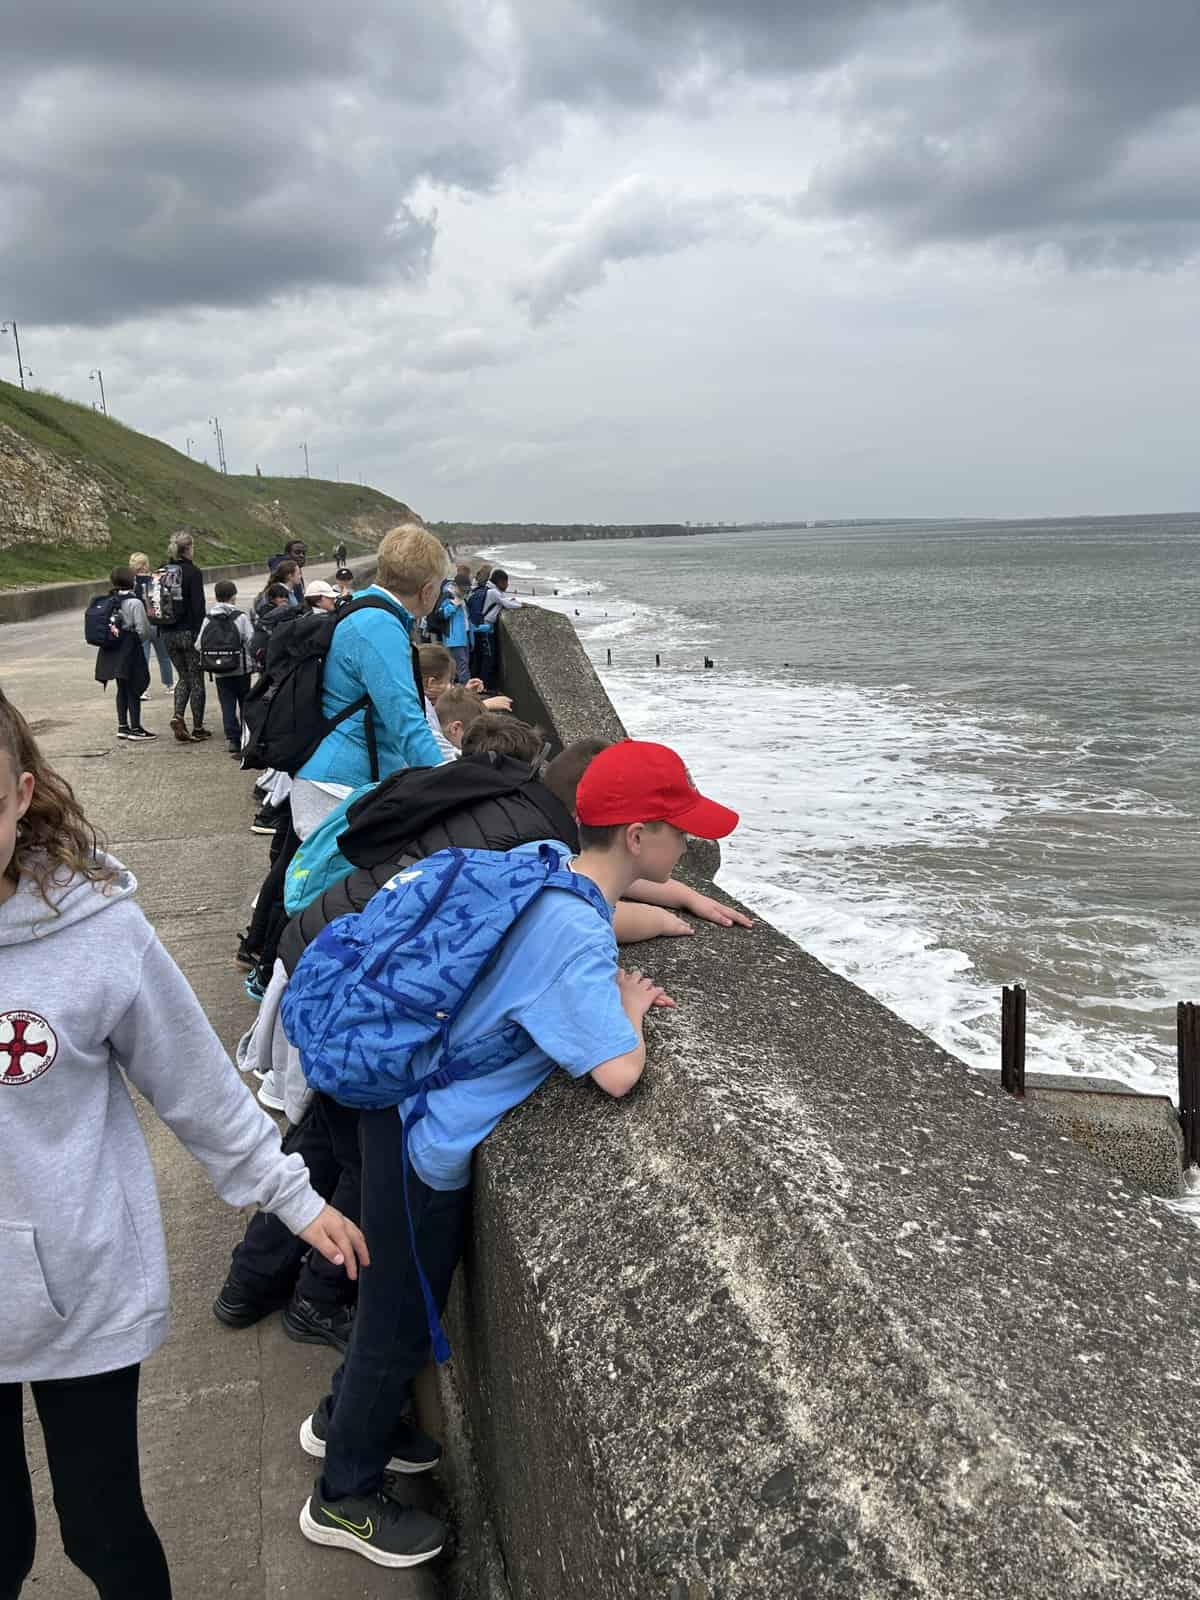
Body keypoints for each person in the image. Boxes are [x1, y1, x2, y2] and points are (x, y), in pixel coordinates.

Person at [293, 740, 738, 1566]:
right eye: (678, 829)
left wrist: (673, 905)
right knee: (397, 1314)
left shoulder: (542, 868)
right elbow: (617, 1073)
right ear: (637, 835)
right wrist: (629, 1005)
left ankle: (346, 1420)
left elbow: (588, 921)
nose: (688, 844)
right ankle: (343, 1494)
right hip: (424, 1136)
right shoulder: (578, 937)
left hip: (391, 1102)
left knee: (393, 1299)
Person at [0, 690, 367, 1600]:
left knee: (103, 1528)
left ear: (21, 793)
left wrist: (292, 1196)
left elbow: (196, 1085)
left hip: (77, 1286)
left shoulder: (97, 931)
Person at [291, 523, 446, 841]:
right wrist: (453, 788)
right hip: (338, 789)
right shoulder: (380, 626)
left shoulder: (364, 606)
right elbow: (407, 723)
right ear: (428, 590)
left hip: (337, 781)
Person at [93, 566, 155, 742]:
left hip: (113, 649)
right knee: (134, 688)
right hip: (130, 647)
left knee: (121, 688)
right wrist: (138, 639)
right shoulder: (134, 602)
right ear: (132, 581)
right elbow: (143, 630)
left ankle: (123, 726)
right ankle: (136, 727)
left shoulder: (110, 600)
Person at [159, 531, 210, 742]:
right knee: (196, 679)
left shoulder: (162, 570)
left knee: (182, 676)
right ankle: (198, 727)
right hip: (189, 632)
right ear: (188, 548)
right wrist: (201, 634)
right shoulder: (193, 572)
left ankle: (178, 715)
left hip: (167, 632)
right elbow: (198, 607)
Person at [197, 579, 256, 755]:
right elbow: (251, 640)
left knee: (227, 703)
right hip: (241, 668)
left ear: (216, 596)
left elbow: (199, 644)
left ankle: (232, 738)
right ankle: (246, 735)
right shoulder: (240, 617)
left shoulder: (208, 618)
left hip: (219, 670)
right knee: (244, 701)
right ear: (233, 596)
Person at [128, 552, 173, 695]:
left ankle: (143, 689)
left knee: (143, 659)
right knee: (164, 657)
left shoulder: (131, 583)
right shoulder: (155, 580)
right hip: (156, 622)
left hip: (140, 623)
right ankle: (169, 685)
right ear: (145, 565)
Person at [468, 567, 521, 685]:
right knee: (488, 658)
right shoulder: (493, 592)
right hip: (485, 630)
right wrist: (523, 605)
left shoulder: (488, 590)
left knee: (481, 658)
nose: (507, 585)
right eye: (506, 582)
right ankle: (484, 685)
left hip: (480, 628)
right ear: (500, 581)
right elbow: (507, 604)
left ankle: (479, 683)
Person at [434, 579, 470, 683]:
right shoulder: (447, 596)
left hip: (464, 637)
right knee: (461, 666)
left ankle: (460, 688)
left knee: (462, 665)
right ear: (455, 586)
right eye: (463, 590)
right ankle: (464, 689)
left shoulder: (463, 599)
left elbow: (466, 619)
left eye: (466, 591)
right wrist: (453, 605)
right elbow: (440, 615)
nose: (464, 592)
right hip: (454, 638)